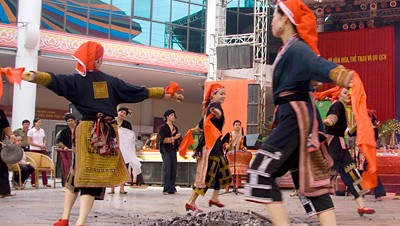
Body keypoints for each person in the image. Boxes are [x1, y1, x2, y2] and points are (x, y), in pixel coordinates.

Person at [22, 41, 183, 226]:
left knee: (77, 172)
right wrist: (166, 93)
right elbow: (137, 91)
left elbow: (53, 80)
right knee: (94, 178)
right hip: (106, 132)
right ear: (98, 60)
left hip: (84, 131)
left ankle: (65, 218)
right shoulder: (110, 82)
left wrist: (32, 76)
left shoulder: (76, 80)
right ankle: (80, 222)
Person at [244, 0, 355, 225]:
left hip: (294, 119)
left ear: (285, 18)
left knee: (261, 170)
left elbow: (317, 64)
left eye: (275, 16)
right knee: (309, 182)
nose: (272, 21)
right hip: (295, 118)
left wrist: (341, 75)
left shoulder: (297, 48)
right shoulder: (290, 49)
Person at [323, 87, 375, 216]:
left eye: (349, 93)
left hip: (341, 145)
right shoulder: (338, 104)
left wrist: (355, 127)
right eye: (345, 92)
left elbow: (348, 133)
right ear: (338, 94)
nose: (348, 95)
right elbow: (333, 116)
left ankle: (361, 206)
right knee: (329, 174)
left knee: (352, 174)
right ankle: (320, 206)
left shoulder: (344, 108)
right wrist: (329, 120)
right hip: (334, 145)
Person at [185, 84, 232, 212]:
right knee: (207, 176)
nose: (224, 96)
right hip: (212, 148)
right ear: (213, 95)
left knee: (223, 173)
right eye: (221, 94)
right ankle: (190, 202)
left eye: (224, 93)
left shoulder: (210, 109)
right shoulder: (214, 106)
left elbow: (200, 126)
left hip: (216, 146)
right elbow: (217, 113)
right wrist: (216, 113)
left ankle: (215, 198)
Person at [109, 107, 142, 194]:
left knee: (124, 168)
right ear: (118, 112)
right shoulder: (112, 122)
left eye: (124, 113)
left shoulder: (127, 124)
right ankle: (112, 188)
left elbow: (130, 138)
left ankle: (122, 188)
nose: (122, 114)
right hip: (114, 149)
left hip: (124, 150)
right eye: (121, 111)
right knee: (113, 168)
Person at [158, 109, 181, 195]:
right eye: (171, 115)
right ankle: (166, 189)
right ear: (167, 116)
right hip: (165, 150)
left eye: (174, 115)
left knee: (173, 169)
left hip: (173, 150)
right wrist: (174, 138)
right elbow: (163, 140)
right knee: (167, 169)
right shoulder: (163, 128)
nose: (173, 116)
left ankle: (172, 188)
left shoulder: (175, 128)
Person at [27, 117, 51, 187]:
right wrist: (38, 145)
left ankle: (45, 182)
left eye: (41, 122)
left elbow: (44, 139)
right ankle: (33, 182)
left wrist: (43, 145)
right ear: (35, 123)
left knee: (43, 165)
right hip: (34, 149)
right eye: (39, 122)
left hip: (42, 149)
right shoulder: (31, 131)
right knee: (34, 165)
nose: (40, 124)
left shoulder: (42, 130)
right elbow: (29, 141)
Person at [0, 108, 16, 198]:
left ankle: (4, 191)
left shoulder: (1, 112)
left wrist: (11, 135)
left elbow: (5, 126)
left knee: (2, 167)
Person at [57, 113, 76, 187]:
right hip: (67, 152)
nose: (70, 122)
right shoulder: (64, 131)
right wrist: (64, 147)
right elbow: (59, 142)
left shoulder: (78, 130)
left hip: (76, 152)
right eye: (69, 121)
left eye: (72, 120)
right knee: (66, 166)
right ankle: (66, 182)